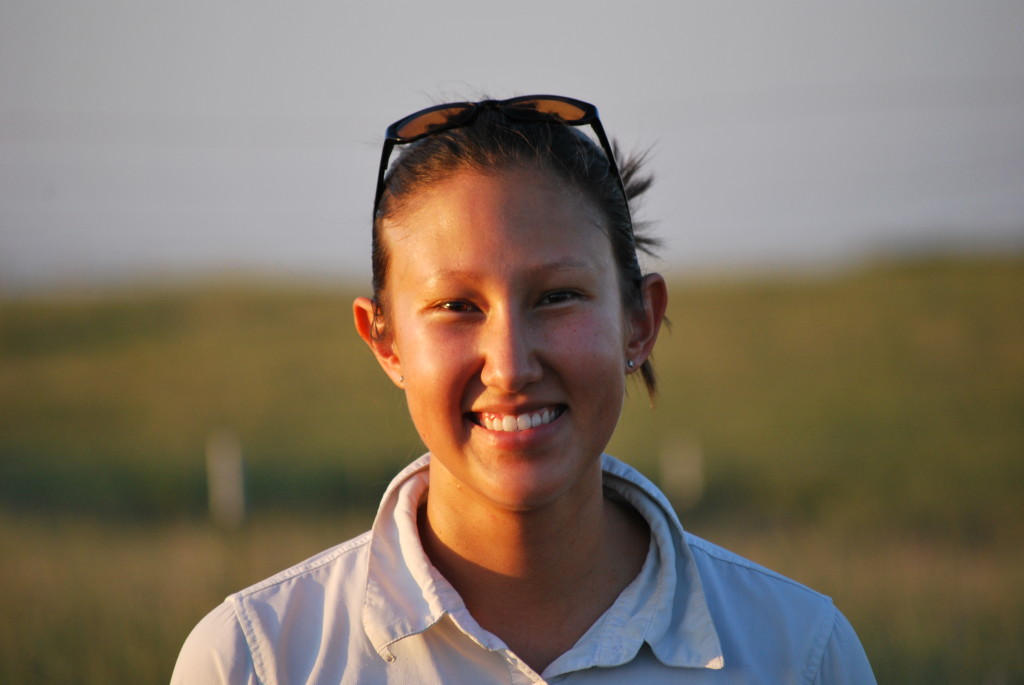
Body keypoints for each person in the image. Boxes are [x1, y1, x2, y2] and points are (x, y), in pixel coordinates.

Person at [171, 95, 876, 684]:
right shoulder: (256, 660)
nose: (509, 365)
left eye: (558, 296)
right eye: (456, 306)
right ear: (384, 341)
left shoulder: (795, 652)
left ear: (640, 322)